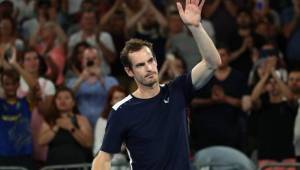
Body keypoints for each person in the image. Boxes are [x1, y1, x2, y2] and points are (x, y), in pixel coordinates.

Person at [92, 0, 222, 169]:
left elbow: (212, 63)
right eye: (140, 65)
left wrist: (196, 27)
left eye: (150, 61)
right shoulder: (121, 111)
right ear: (129, 72)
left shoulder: (177, 90)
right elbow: (103, 158)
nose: (148, 68)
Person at [38, 87, 93, 166]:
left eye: (67, 98)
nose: (62, 101)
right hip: (54, 165)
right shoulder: (49, 120)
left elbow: (88, 143)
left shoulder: (81, 119)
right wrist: (56, 127)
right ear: (55, 102)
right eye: (59, 98)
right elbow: (41, 141)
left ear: (73, 102)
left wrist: (71, 128)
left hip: (78, 165)